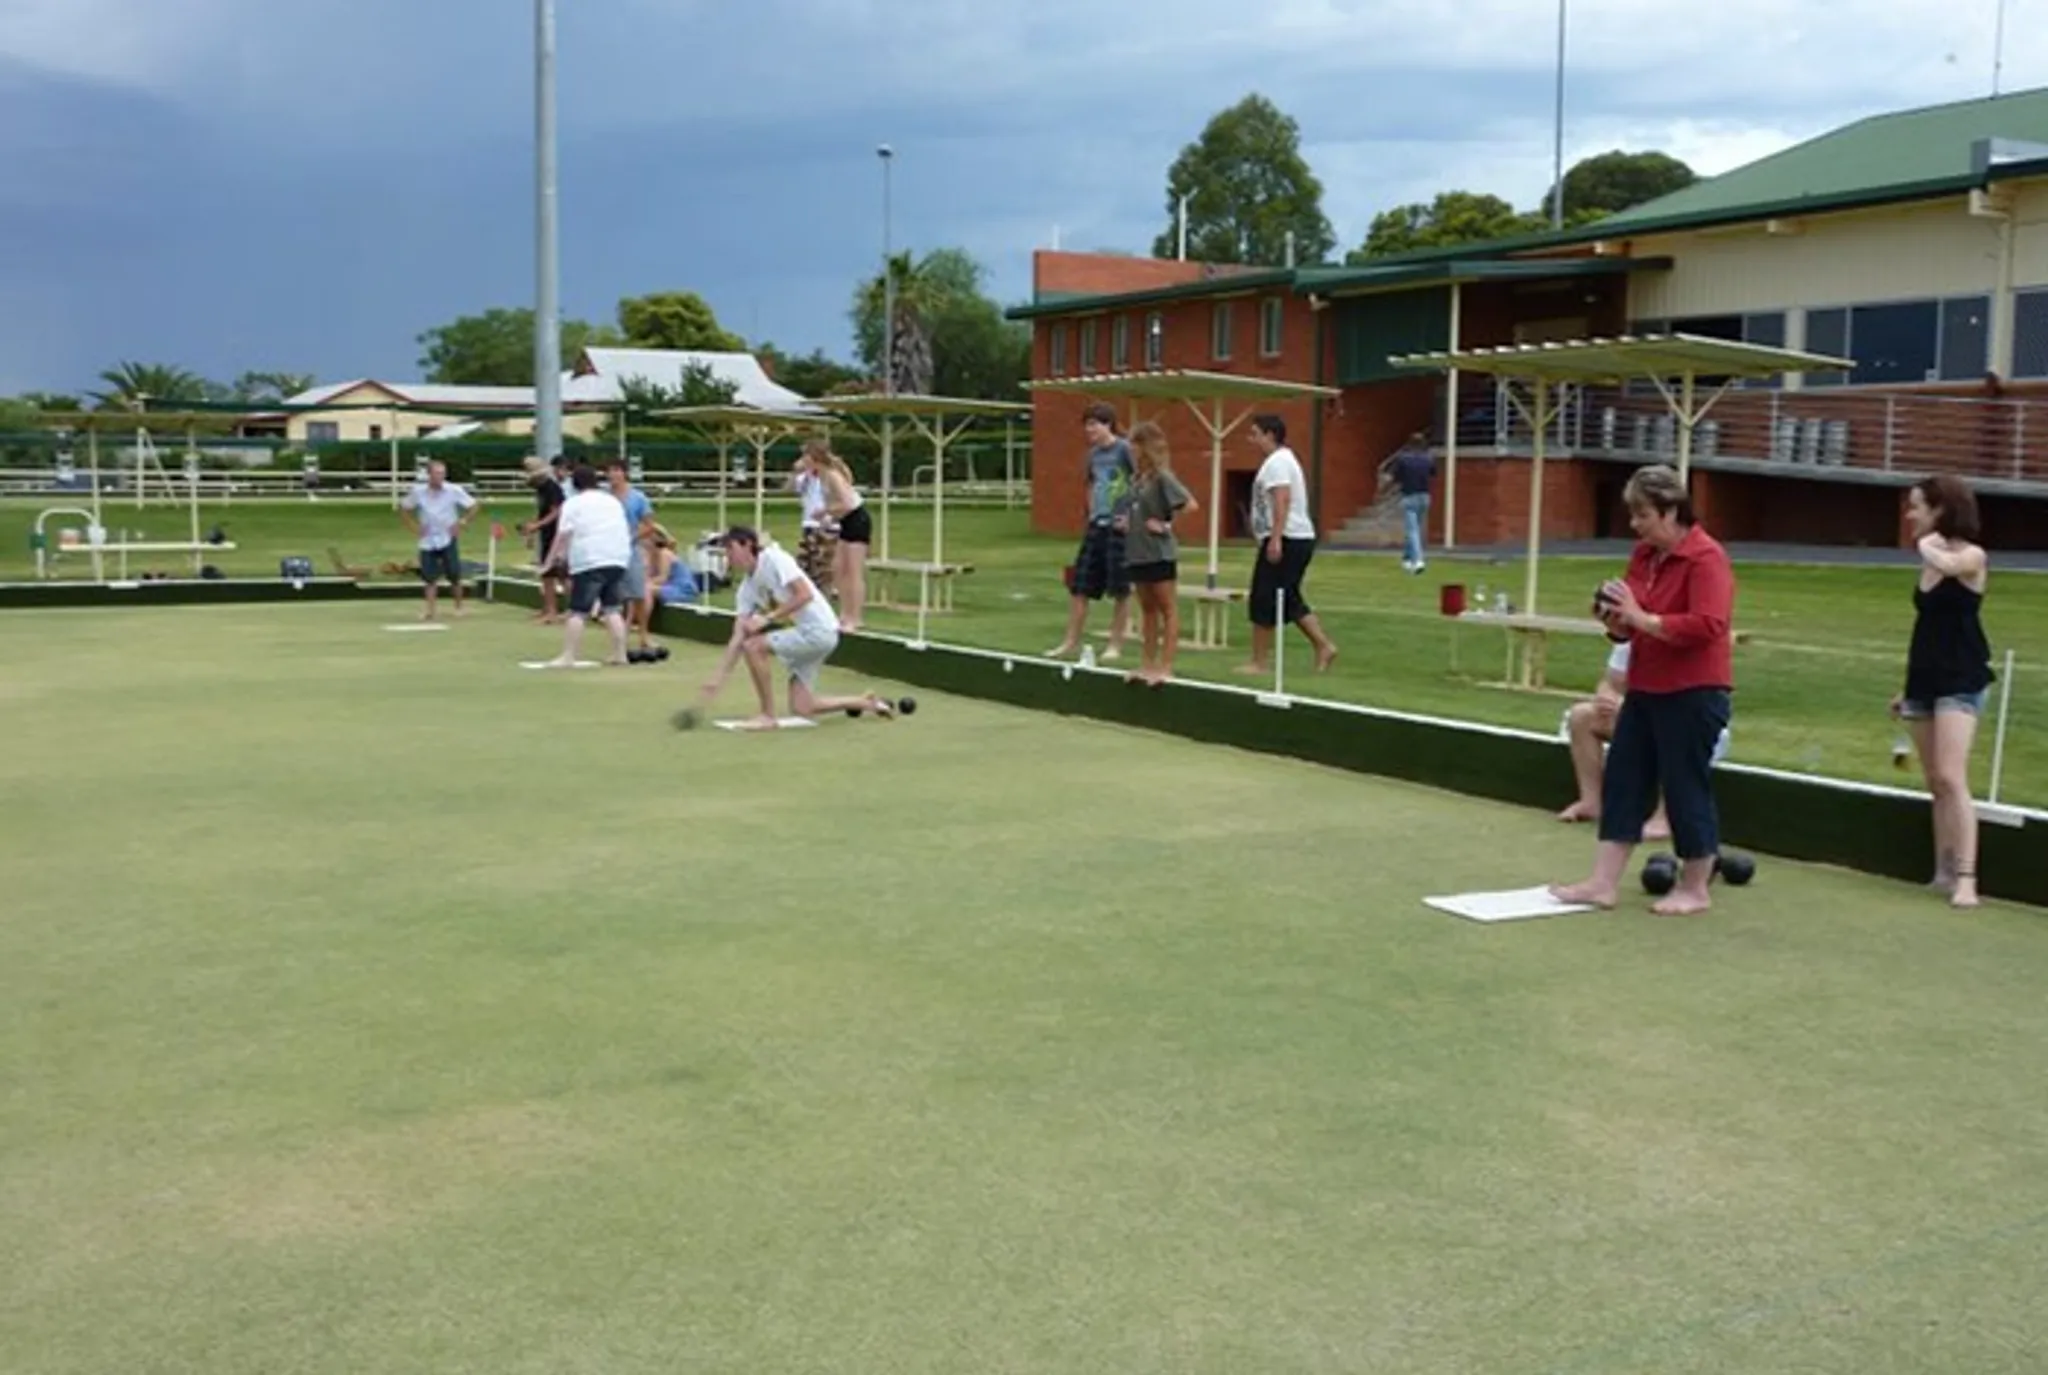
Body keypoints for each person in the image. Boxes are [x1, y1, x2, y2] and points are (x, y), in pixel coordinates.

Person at [1551, 464, 1736, 916]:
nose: (1635, 525)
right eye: (1633, 515)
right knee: (1625, 779)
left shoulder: (1706, 558)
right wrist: (1615, 621)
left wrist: (1641, 618)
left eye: (1643, 515)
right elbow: (1630, 624)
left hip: (1695, 691)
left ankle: (1695, 887)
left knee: (1684, 784)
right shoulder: (1644, 557)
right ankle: (1602, 882)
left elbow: (1707, 624)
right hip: (1647, 686)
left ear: (1671, 510)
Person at [1893, 473, 1994, 908]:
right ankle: (1943, 870)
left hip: (1961, 679)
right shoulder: (1927, 557)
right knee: (1935, 781)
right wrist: (1905, 691)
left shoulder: (1971, 555)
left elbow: (1953, 567)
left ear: (1939, 510)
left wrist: (1925, 544)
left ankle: (1968, 879)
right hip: (1924, 679)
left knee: (1953, 777)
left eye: (1917, 506)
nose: (1909, 514)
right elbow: (1929, 627)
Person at [688, 526, 896, 729]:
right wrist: (717, 677)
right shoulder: (746, 590)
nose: (728, 557)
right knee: (802, 707)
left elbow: (804, 594)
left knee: (754, 647)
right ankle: (865, 703)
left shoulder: (775, 559)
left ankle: (767, 715)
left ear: (747, 545)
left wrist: (768, 618)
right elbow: (737, 635)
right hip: (809, 635)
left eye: (731, 549)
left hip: (819, 631)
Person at [1558, 639, 1733, 840]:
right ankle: (1591, 802)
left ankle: (1666, 817)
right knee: (1582, 716)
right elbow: (1610, 682)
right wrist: (1605, 697)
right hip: (1638, 721)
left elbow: (1681, 701)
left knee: (1676, 730)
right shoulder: (1632, 637)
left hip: (1692, 727)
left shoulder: (1686, 643)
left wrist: (1627, 707)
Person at [1240, 414, 1337, 675]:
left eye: (1255, 434)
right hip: (1289, 537)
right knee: (1287, 597)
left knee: (1264, 597)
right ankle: (1323, 646)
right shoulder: (1280, 461)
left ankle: (1259, 662)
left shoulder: (1278, 463)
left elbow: (1282, 500)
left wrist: (1275, 538)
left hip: (1288, 538)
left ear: (1270, 434)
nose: (1252, 440)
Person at [1048, 403, 1133, 662]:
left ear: (1108, 424)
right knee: (1080, 587)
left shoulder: (1125, 449)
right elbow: (1091, 484)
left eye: (1094, 425)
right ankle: (1070, 642)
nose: (1089, 430)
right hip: (1097, 524)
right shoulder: (1092, 455)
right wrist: (1091, 512)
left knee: (1120, 589)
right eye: (1087, 426)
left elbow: (1140, 481)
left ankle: (1115, 644)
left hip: (1121, 527)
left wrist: (1131, 515)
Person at [1121, 420, 1196, 686]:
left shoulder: (1163, 478)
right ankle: (1147, 664)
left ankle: (1166, 665)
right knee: (1147, 610)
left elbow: (1190, 505)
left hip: (1159, 553)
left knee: (1167, 608)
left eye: (1134, 444)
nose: (1130, 449)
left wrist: (1166, 526)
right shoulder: (1136, 480)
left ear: (1144, 447)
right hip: (1137, 551)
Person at [540, 464, 632, 668]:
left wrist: (549, 562)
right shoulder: (612, 501)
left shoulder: (573, 504)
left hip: (590, 559)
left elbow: (562, 535)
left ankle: (568, 656)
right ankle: (620, 654)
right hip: (618, 558)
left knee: (578, 611)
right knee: (612, 608)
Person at [398, 459, 477, 620]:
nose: (440, 477)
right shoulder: (418, 492)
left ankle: (459, 607)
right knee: (429, 577)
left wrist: (462, 522)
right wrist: (414, 527)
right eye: (437, 473)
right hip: (427, 540)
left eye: (442, 473)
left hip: (448, 537)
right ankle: (430, 610)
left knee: (454, 574)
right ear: (429, 475)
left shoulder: (454, 490)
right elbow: (404, 508)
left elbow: (473, 506)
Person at [811, 440, 870, 632]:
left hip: (857, 520)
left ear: (814, 458)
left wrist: (825, 511)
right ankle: (844, 615)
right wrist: (829, 518)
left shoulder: (833, 476)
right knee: (839, 569)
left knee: (853, 571)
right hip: (845, 521)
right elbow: (838, 506)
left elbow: (846, 503)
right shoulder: (821, 477)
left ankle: (855, 617)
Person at [606, 460, 657, 653]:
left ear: (624, 473)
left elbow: (649, 525)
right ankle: (618, 636)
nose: (613, 475)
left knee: (638, 593)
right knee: (613, 594)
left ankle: (643, 634)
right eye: (610, 471)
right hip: (609, 550)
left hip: (630, 550)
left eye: (617, 470)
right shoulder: (604, 497)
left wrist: (632, 537)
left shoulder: (637, 497)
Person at [519, 456, 566, 623]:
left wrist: (537, 525)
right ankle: (547, 608)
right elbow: (542, 512)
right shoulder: (541, 489)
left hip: (557, 535)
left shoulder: (552, 488)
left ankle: (556, 611)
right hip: (547, 535)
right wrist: (533, 527)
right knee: (546, 574)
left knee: (557, 574)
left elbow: (557, 512)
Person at [792, 444, 838, 601]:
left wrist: (830, 515)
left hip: (828, 525)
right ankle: (810, 594)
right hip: (809, 524)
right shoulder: (806, 477)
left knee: (824, 563)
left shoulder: (832, 476)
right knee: (806, 561)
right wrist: (798, 471)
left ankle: (826, 593)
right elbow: (791, 488)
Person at [1389, 431, 1435, 574]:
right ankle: (1407, 559)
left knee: (1412, 531)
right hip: (1424, 496)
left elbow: (1395, 477)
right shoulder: (1428, 458)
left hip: (1409, 496)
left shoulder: (1403, 459)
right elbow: (1433, 474)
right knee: (1416, 530)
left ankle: (1418, 560)